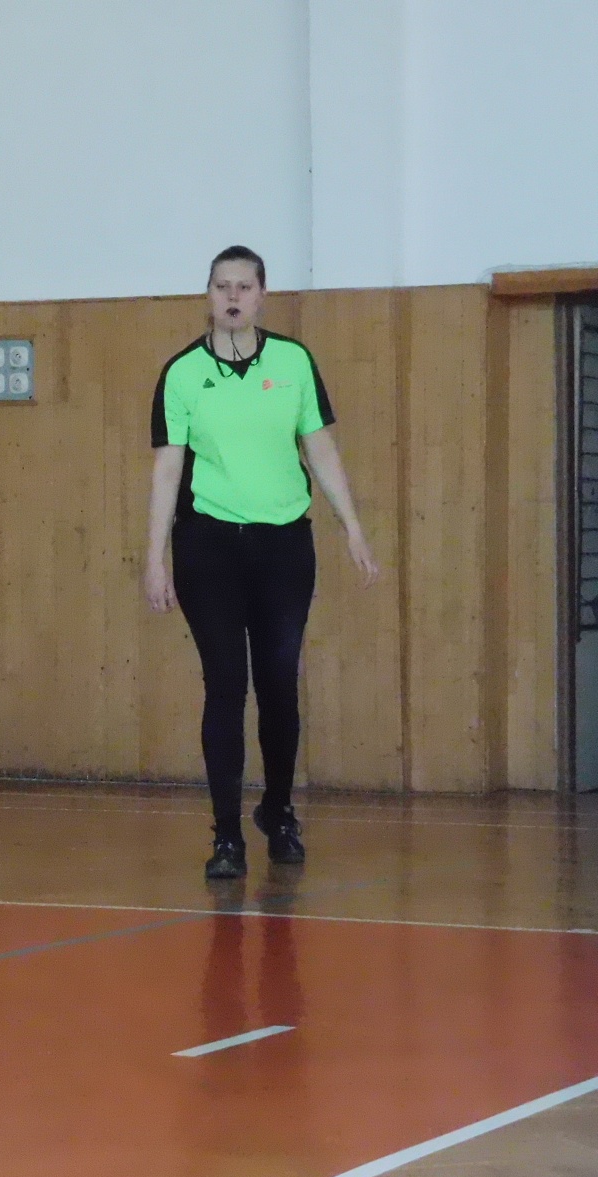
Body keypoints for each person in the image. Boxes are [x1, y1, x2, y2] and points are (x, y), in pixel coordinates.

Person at [144, 246, 378, 881]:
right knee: (225, 685)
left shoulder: (294, 362)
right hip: (208, 547)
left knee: (278, 683)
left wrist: (352, 525)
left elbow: (320, 447)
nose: (232, 297)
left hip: (283, 547)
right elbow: (167, 469)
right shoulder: (182, 374)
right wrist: (155, 557)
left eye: (243, 287)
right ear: (208, 294)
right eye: (222, 286)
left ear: (262, 295)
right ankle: (226, 835)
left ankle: (278, 811)